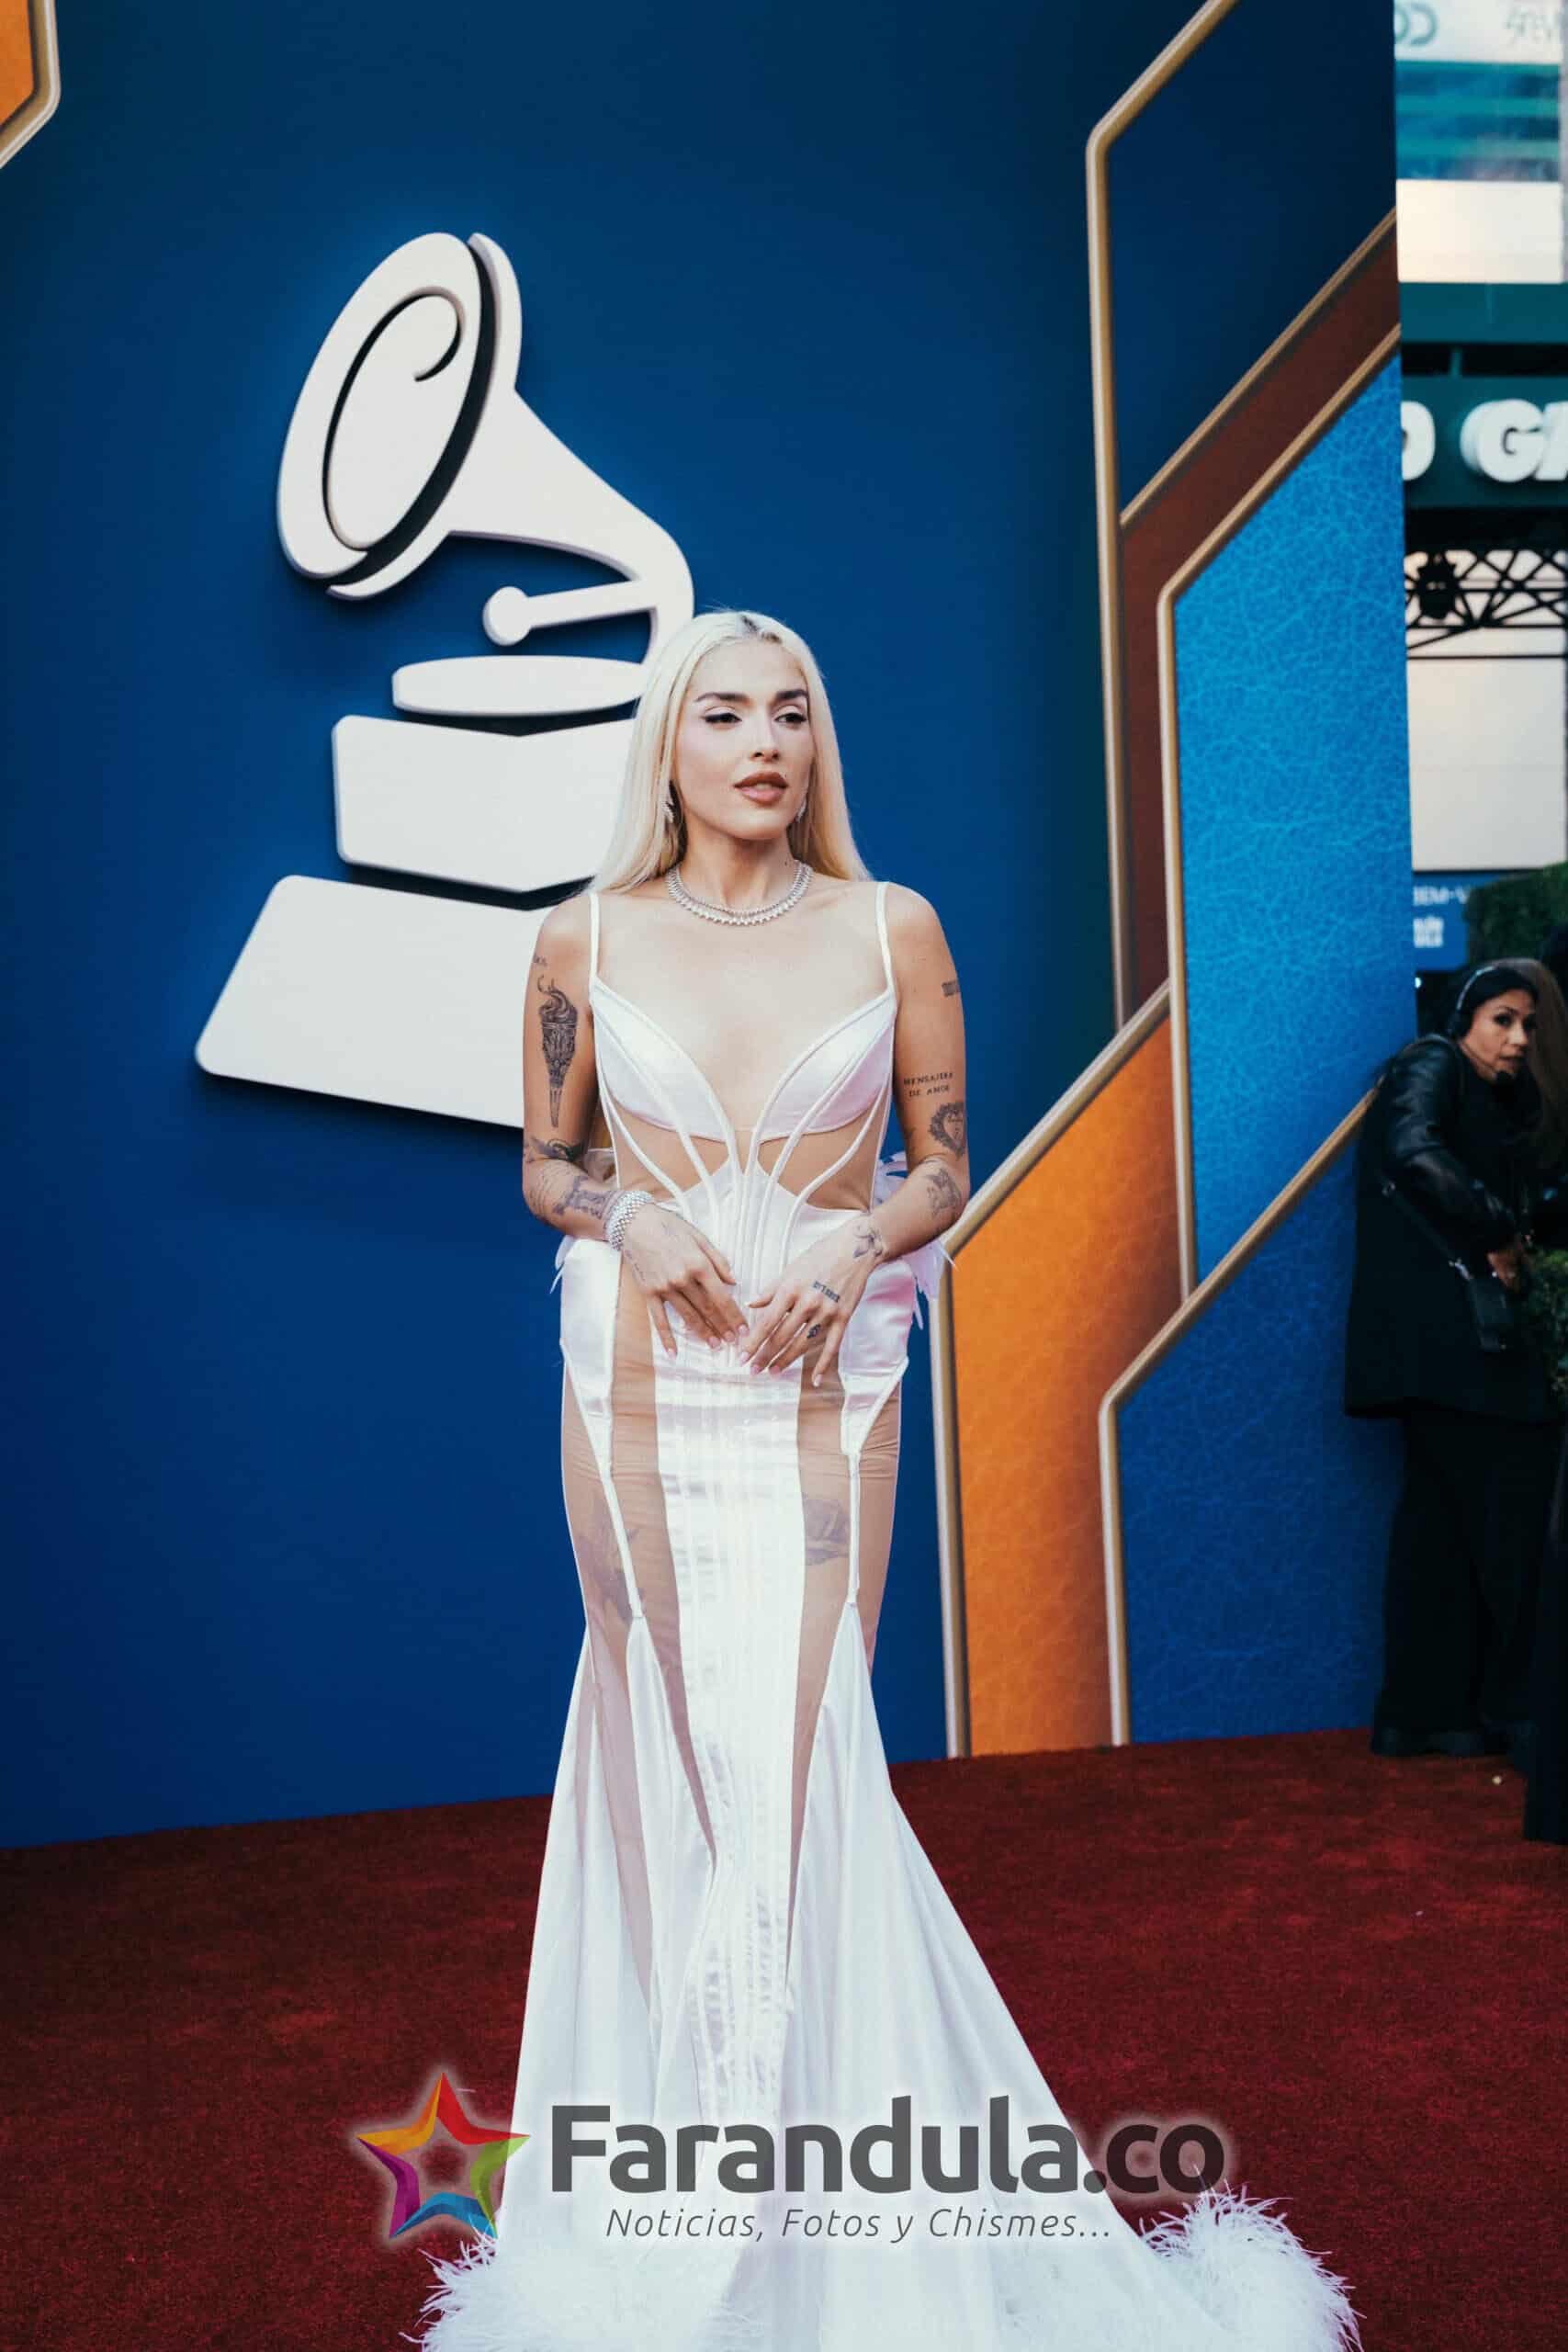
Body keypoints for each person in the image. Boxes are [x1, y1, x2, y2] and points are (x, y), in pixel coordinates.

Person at [415, 610, 1359, 2350]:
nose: (763, 743)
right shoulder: (580, 937)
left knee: (803, 1771)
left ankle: (800, 2225)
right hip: (633, 1385)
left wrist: (854, 1246)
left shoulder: (889, 926)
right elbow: (546, 1166)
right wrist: (632, 1218)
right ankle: (670, 2202)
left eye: (790, 713)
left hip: (825, 1381)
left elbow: (941, 1161)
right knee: (653, 1751)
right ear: (668, 745)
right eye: (724, 714)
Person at [1346, 962, 1565, 1768]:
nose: (1518, 1039)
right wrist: (1497, 1227)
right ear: (1464, 1017)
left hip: (1430, 1351)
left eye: (1529, 1025)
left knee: (1437, 1532)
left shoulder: (1480, 1092)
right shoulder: (1431, 1061)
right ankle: (1520, 1714)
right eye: (1501, 1019)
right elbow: (1411, 1147)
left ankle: (1424, 1713)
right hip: (1456, 1346)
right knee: (1513, 1517)